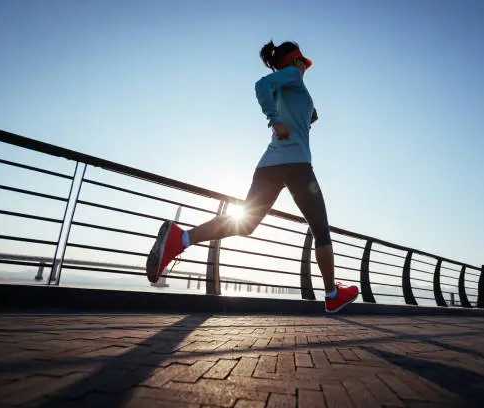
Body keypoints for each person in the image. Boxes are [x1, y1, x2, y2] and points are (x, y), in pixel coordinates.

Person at [146, 40, 359, 313]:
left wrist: (306, 117)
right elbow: (261, 86)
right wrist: (274, 119)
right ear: (295, 61)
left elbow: (291, 111)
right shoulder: (292, 76)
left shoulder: (291, 85)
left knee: (246, 224)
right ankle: (332, 294)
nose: (305, 68)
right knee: (321, 228)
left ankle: (181, 239)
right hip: (297, 165)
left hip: (270, 165)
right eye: (303, 63)